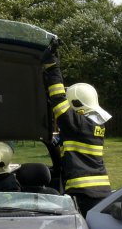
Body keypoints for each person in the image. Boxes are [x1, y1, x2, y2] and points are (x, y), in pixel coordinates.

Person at [42, 51, 112, 217]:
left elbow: (58, 98)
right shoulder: (94, 125)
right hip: (99, 192)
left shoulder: (78, 124)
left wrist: (53, 68)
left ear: (76, 103)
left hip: (84, 194)